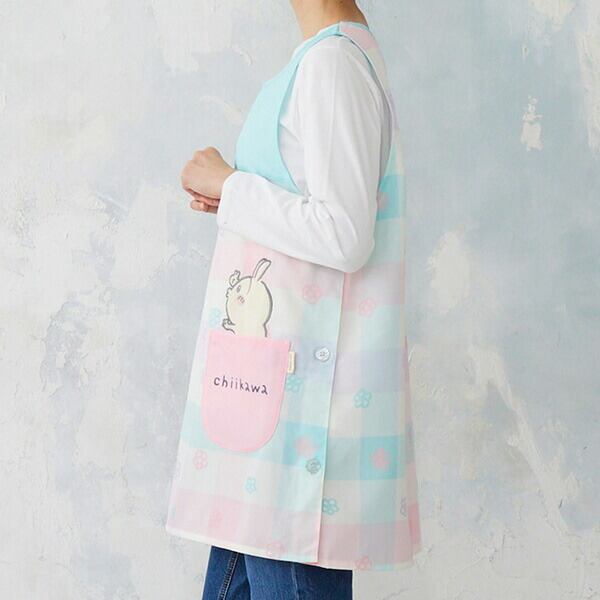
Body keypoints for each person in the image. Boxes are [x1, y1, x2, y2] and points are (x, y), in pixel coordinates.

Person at [170, 1, 422, 598]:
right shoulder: (326, 58)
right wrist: (237, 199)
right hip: (268, 411)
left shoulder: (333, 65)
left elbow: (344, 234)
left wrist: (233, 185)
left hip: (296, 428)